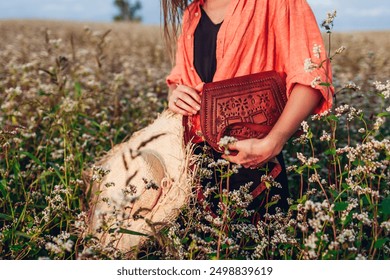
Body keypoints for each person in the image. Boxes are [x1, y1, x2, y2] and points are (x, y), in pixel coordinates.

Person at [162, 0, 333, 217]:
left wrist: (273, 143)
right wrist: (175, 96)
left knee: (257, 246)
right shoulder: (191, 13)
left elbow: (312, 78)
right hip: (191, 169)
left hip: (255, 164)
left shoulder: (279, 3)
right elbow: (178, 79)